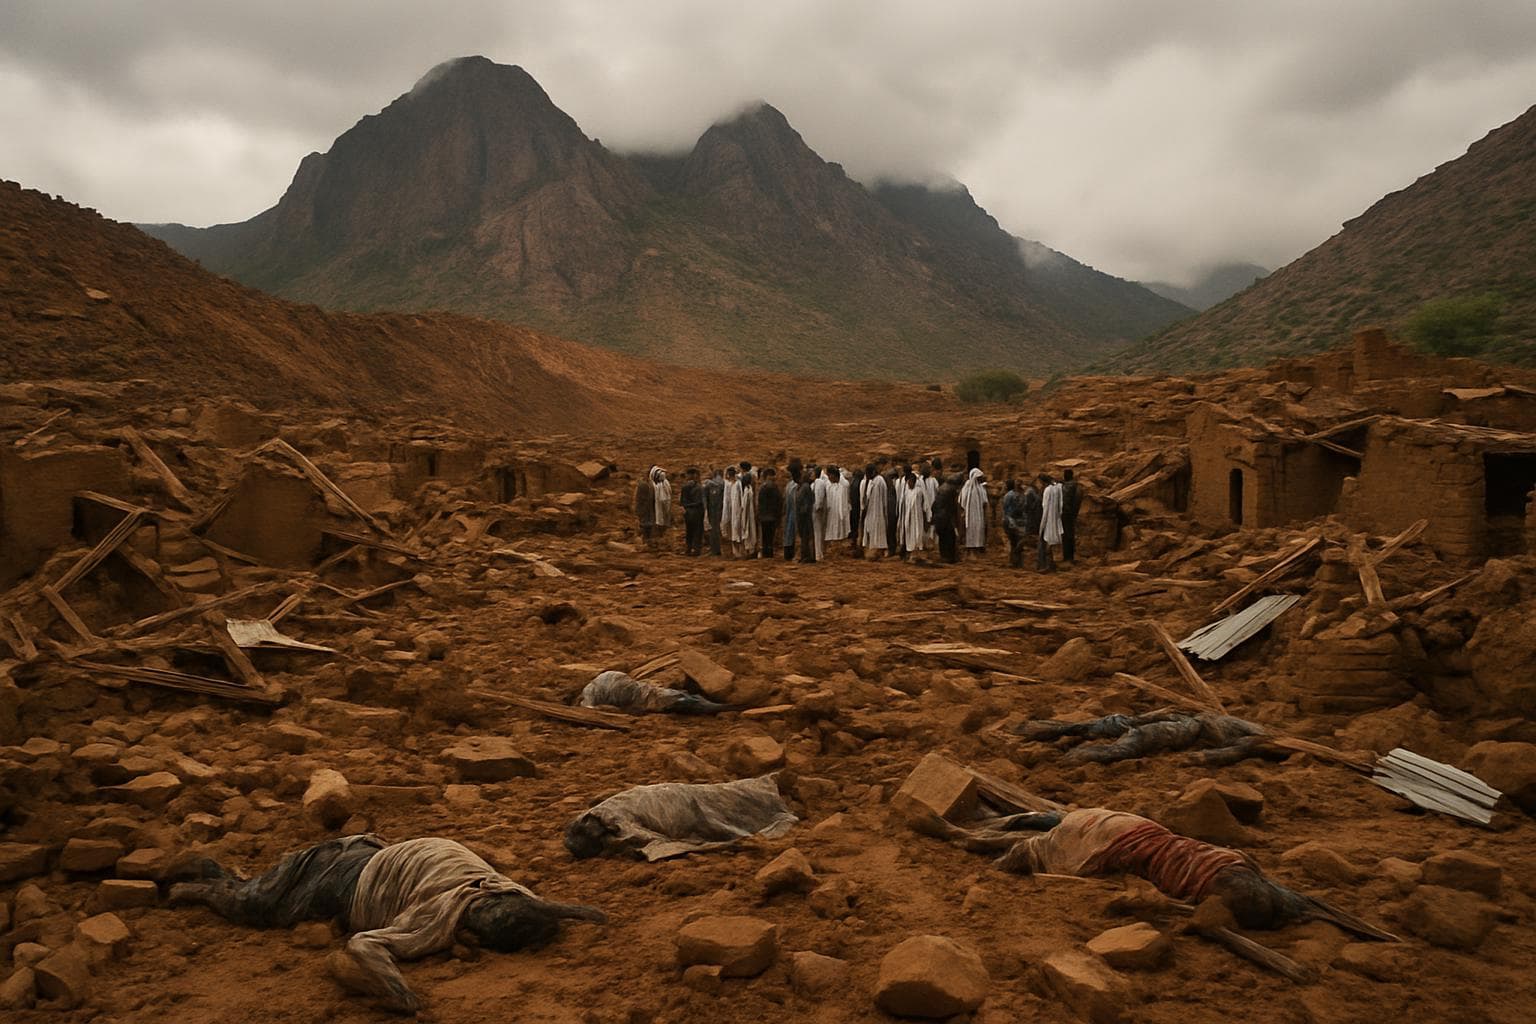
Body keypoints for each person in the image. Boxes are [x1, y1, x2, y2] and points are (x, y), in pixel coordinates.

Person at [169, 836, 606, 1014]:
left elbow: (546, 909)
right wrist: (404, 996)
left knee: (261, 891)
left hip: (371, 852)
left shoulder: (503, 889)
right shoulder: (438, 918)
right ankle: (200, 882)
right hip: (339, 876)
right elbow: (364, 945)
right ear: (470, 930)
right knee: (254, 906)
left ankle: (214, 876)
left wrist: (583, 913)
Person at [910, 808, 1394, 940]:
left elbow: (1302, 902)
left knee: (1052, 822)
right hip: (1117, 843)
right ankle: (964, 836)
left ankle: (979, 827)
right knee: (1031, 851)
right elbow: (1196, 917)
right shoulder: (1214, 888)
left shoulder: (1233, 863)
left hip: (1134, 825)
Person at [896, 469, 931, 562]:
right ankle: (910, 554)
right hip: (908, 518)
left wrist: (926, 518)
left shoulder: (919, 491)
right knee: (909, 535)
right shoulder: (906, 492)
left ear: (914, 482)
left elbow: (924, 505)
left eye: (910, 482)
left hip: (917, 517)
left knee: (917, 535)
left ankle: (916, 554)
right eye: (908, 482)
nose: (909, 484)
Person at [859, 465, 889, 559]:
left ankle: (877, 552)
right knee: (869, 530)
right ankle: (871, 551)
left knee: (878, 531)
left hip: (878, 511)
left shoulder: (880, 480)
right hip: (870, 511)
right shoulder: (870, 482)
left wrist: (884, 510)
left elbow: (884, 498)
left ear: (873, 472)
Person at [958, 468, 988, 557]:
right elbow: (962, 500)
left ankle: (977, 548)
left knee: (979, 530)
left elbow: (984, 501)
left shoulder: (980, 488)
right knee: (970, 530)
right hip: (970, 514)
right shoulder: (967, 486)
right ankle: (970, 550)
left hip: (979, 514)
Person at [933, 473, 962, 564]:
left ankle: (944, 556)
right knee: (950, 537)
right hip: (945, 517)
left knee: (942, 537)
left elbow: (934, 504)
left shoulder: (941, 487)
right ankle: (950, 557)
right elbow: (952, 507)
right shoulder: (951, 490)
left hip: (938, 516)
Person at [1038, 473, 1063, 573]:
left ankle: (1049, 566)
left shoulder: (1047, 490)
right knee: (1052, 542)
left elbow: (1045, 509)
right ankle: (1052, 565)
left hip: (1049, 519)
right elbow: (1060, 505)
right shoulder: (1057, 488)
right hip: (1056, 518)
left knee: (1047, 542)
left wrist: (1042, 525)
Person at [757, 467, 782, 558]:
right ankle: (769, 553)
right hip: (772, 516)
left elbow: (760, 502)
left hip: (764, 515)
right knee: (770, 536)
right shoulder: (774, 487)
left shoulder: (763, 487)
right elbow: (778, 501)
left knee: (765, 536)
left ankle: (765, 553)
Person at [680, 468, 704, 556]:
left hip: (688, 512)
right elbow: (700, 502)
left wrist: (686, 507)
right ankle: (696, 549)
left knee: (689, 531)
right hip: (697, 512)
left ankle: (688, 549)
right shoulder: (699, 487)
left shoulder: (685, 487)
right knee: (697, 531)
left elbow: (682, 501)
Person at [794, 472, 817, 563]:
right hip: (805, 515)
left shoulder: (800, 487)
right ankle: (807, 556)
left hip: (800, 515)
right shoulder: (806, 487)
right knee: (806, 536)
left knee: (804, 537)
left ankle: (804, 556)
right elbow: (810, 500)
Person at [1001, 479, 1025, 568]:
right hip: (1018, 521)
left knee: (1013, 541)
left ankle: (1014, 561)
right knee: (1017, 541)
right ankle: (1018, 562)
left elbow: (1006, 509)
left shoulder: (1008, 495)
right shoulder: (1019, 495)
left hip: (1011, 520)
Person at [1060, 468, 1082, 563]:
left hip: (1067, 513)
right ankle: (1070, 556)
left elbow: (1065, 499)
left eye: (1065, 474)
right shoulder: (1075, 485)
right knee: (1070, 535)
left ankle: (1067, 557)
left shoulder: (1069, 486)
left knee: (1066, 535)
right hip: (1071, 513)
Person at [826, 467, 850, 549]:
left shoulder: (844, 485)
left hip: (841, 511)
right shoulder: (830, 485)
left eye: (829, 475)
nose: (828, 478)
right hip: (832, 511)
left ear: (833, 475)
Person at [736, 468, 759, 557]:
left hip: (748, 515)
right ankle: (750, 551)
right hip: (748, 515)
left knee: (750, 533)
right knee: (750, 533)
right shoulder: (748, 491)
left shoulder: (747, 490)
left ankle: (750, 551)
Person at [650, 467, 673, 551]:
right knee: (660, 518)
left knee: (663, 517)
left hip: (664, 503)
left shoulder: (665, 483)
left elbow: (668, 494)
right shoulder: (655, 485)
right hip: (660, 504)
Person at [703, 469, 724, 557]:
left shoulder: (716, 486)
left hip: (716, 511)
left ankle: (716, 550)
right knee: (714, 530)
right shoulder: (712, 486)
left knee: (715, 530)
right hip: (716, 511)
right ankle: (716, 550)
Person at [633, 470, 657, 550]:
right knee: (647, 525)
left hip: (645, 509)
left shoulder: (644, 485)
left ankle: (645, 542)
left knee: (644, 525)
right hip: (648, 509)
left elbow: (638, 499)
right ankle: (647, 542)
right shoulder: (650, 485)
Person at [782, 465, 801, 561]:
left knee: (790, 532)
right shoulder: (793, 485)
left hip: (792, 512)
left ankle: (790, 553)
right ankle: (789, 553)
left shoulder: (791, 485)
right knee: (791, 532)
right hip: (792, 511)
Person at [721, 466, 739, 557]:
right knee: (732, 531)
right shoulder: (731, 484)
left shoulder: (734, 485)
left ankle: (735, 552)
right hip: (731, 510)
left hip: (732, 511)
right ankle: (734, 552)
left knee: (733, 531)